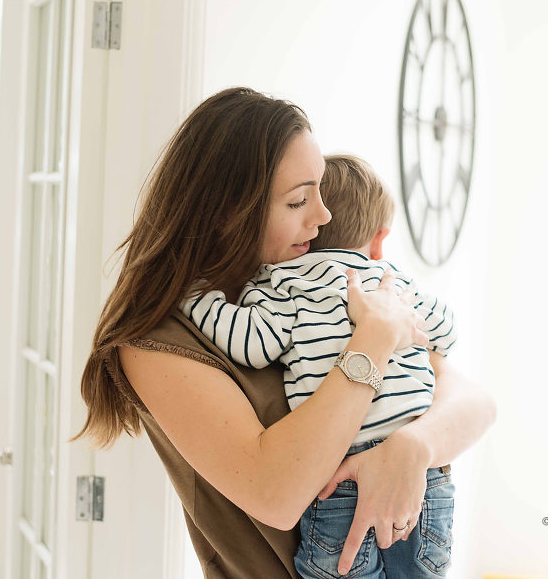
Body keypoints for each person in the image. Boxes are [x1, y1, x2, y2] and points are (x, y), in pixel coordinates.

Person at [74, 87, 496, 579]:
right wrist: (374, 340)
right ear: (228, 211)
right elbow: (278, 494)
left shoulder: (315, 282)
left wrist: (415, 445)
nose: (324, 216)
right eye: (299, 200)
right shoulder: (160, 342)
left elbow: (474, 401)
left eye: (319, 191)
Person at [181, 154, 458, 577]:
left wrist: (197, 295)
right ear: (380, 239)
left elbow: (252, 344)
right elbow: (447, 330)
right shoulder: (395, 283)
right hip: (423, 480)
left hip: (339, 476)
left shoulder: (285, 285)